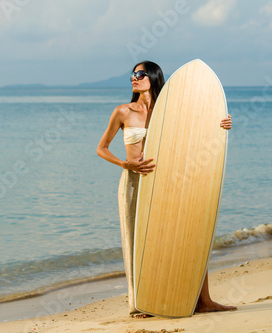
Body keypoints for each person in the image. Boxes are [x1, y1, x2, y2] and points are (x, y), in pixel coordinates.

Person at [96, 60, 236, 318]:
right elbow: (101, 148)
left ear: (153, 77)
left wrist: (221, 124)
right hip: (134, 182)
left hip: (168, 181)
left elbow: (196, 129)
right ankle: (142, 302)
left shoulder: (169, 110)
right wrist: (124, 163)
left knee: (188, 233)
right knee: (136, 241)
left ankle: (203, 300)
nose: (134, 78)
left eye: (140, 74)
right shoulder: (123, 111)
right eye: (132, 75)